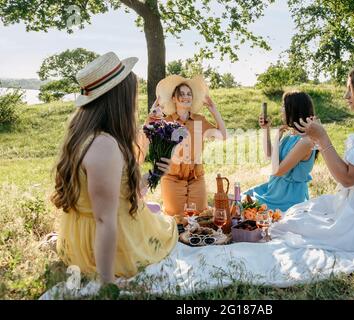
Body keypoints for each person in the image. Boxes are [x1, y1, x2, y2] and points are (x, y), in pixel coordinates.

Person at [51, 52, 178, 284]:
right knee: (169, 231)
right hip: (108, 246)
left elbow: (119, 193)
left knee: (163, 218)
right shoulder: (104, 146)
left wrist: (154, 174)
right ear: (119, 100)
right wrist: (108, 284)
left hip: (88, 234)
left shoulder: (87, 135)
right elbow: (104, 220)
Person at [271, 61, 354, 252]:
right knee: (295, 215)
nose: (346, 96)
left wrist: (322, 138)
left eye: (350, 89)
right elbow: (351, 174)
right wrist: (317, 137)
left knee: (285, 228)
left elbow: (347, 178)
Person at [150, 75, 227, 216]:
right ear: (173, 98)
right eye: (182, 94)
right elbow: (146, 138)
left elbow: (223, 136)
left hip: (196, 177)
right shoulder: (165, 122)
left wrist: (214, 110)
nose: (186, 97)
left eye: (189, 94)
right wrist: (152, 115)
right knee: (177, 219)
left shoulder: (200, 120)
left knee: (200, 218)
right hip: (172, 178)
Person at [244, 92, 317, 212]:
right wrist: (266, 130)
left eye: (283, 106)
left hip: (287, 197)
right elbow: (270, 155)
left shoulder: (306, 141)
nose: (281, 109)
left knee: (244, 207)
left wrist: (277, 137)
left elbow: (276, 170)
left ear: (293, 109)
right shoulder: (290, 134)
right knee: (238, 199)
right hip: (273, 189)